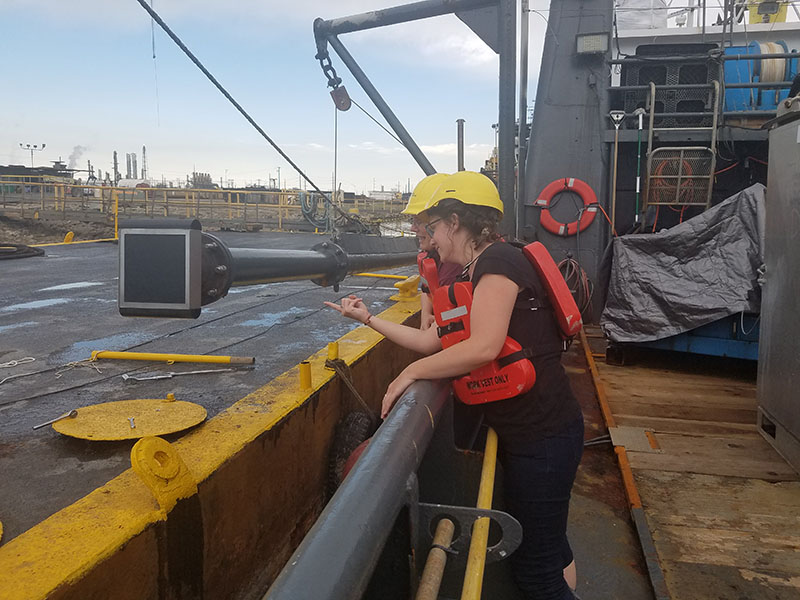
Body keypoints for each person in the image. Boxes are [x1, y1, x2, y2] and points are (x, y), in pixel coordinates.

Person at [325, 171, 584, 599]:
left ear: (455, 221)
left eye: (427, 224)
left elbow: (484, 346)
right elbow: (432, 341)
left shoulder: (498, 264)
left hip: (544, 438)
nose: (422, 235)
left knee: (537, 572)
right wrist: (368, 319)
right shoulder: (473, 269)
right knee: (551, 549)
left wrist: (409, 374)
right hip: (535, 434)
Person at [402, 173, 462, 329]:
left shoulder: (457, 263)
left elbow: (466, 312)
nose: (412, 228)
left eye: (420, 222)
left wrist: (441, 318)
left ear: (451, 223)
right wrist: (426, 316)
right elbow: (426, 289)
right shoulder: (434, 254)